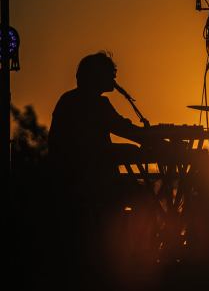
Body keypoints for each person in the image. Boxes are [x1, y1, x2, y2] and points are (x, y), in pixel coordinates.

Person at [48, 51, 148, 280]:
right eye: (110, 73)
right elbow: (121, 131)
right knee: (142, 197)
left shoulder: (68, 100)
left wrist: (133, 145)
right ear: (97, 76)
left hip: (67, 182)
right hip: (92, 184)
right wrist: (152, 140)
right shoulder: (95, 104)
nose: (114, 78)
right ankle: (133, 258)